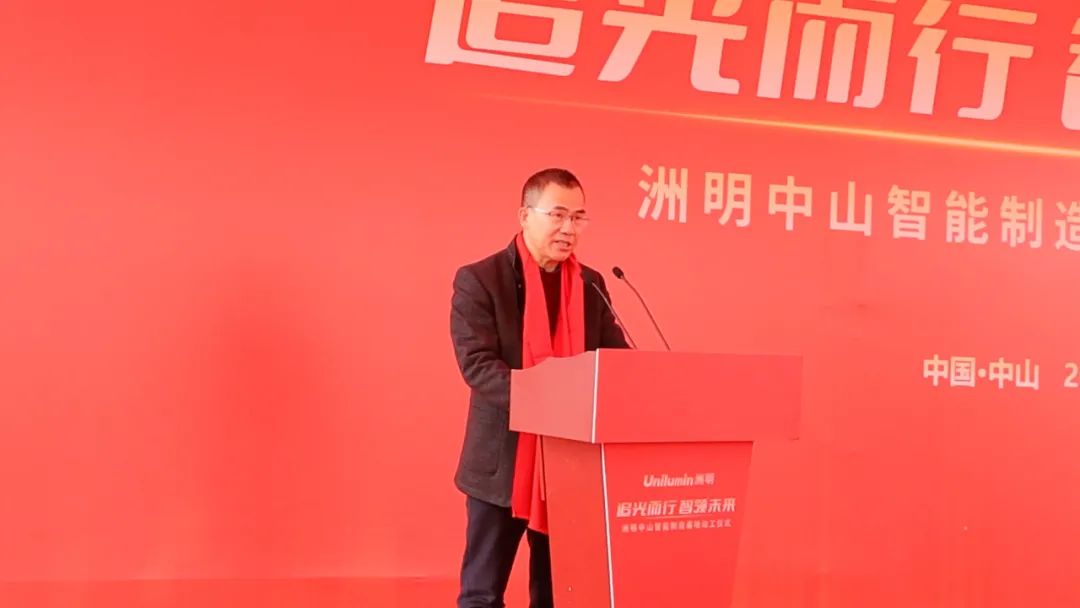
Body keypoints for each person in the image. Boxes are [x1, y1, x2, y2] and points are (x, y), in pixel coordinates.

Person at [449, 168, 631, 608]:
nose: (569, 229)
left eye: (579, 218)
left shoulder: (590, 284)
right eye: (558, 215)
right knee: (481, 594)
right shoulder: (480, 280)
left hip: (569, 462)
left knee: (555, 593)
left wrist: (638, 379)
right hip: (503, 462)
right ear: (525, 215)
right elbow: (479, 366)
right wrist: (547, 404)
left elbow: (614, 358)